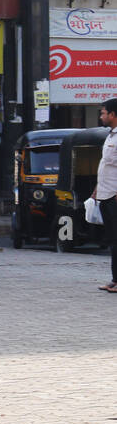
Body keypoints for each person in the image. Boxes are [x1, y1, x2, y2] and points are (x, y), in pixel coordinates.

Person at [93, 99, 117, 293]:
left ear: (113, 114)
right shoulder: (110, 136)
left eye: (103, 113)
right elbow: (107, 166)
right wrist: (96, 191)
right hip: (106, 193)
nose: (101, 116)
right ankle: (115, 279)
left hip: (115, 196)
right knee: (112, 239)